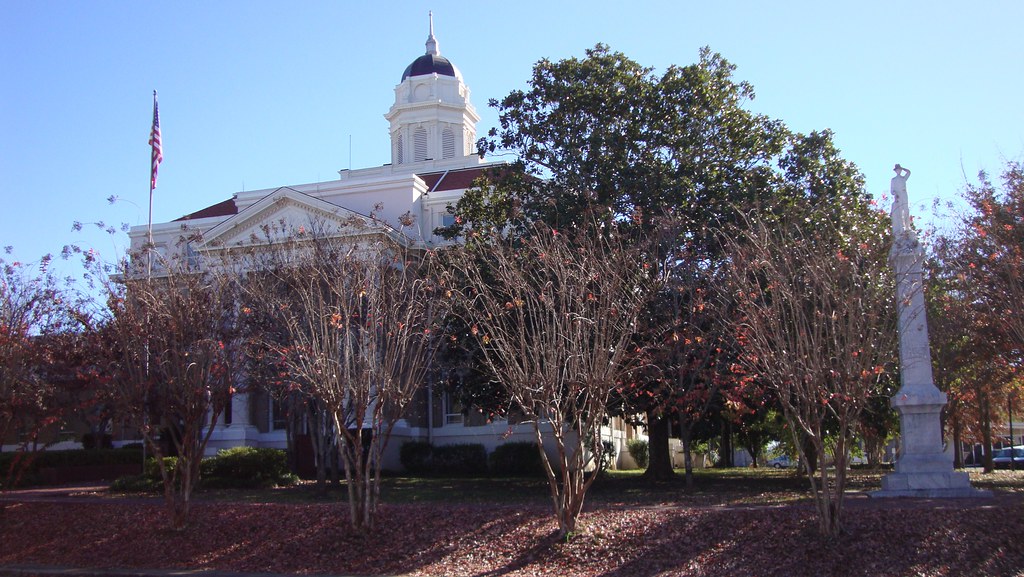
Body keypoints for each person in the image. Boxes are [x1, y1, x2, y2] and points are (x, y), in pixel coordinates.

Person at [890, 164, 912, 237]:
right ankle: (901, 228)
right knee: (899, 212)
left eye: (899, 170)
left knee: (906, 210)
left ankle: (907, 227)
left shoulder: (903, 178)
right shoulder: (893, 180)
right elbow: (892, 190)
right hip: (898, 195)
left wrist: (903, 168)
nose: (898, 171)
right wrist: (895, 194)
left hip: (904, 194)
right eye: (897, 170)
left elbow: (909, 172)